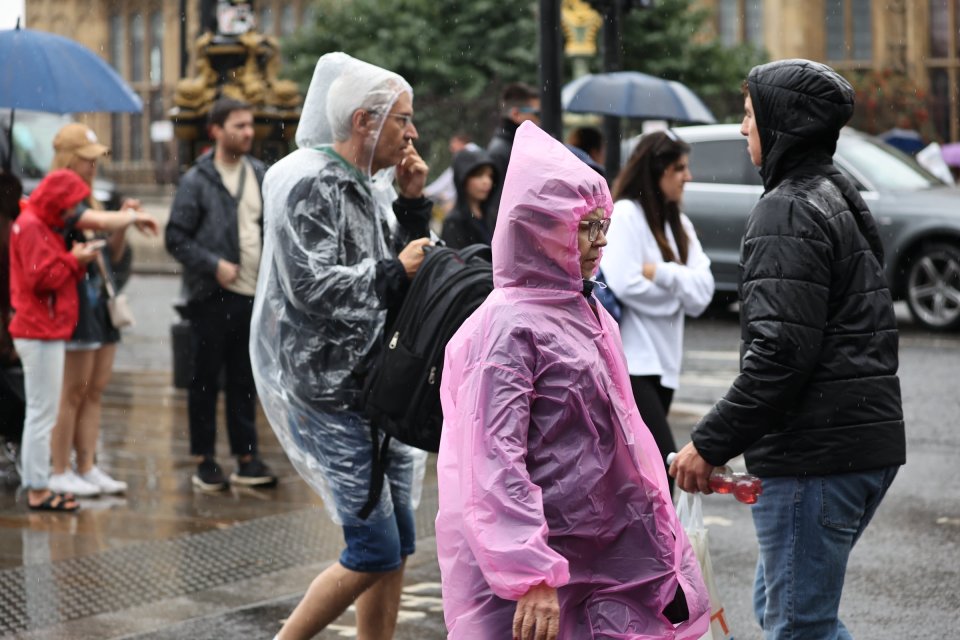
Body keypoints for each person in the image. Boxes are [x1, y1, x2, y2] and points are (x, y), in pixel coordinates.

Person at [435, 121, 710, 640]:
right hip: (549, 567)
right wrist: (531, 572)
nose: (601, 241)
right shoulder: (505, 329)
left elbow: (623, 434)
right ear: (544, 227)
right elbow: (492, 463)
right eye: (588, 226)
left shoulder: (585, 309)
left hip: (604, 553)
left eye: (603, 225)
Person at [670, 59, 906, 639]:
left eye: (750, 116)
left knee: (799, 626)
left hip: (817, 456)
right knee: (787, 613)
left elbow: (779, 355)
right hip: (857, 446)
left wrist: (709, 443)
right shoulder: (835, 192)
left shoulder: (789, 208)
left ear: (783, 124)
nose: (743, 129)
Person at [250, 52, 433, 640]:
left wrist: (410, 202)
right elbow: (310, 287)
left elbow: (405, 268)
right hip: (330, 392)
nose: (412, 133)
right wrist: (392, 272)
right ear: (363, 121)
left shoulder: (368, 185)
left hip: (379, 385)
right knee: (374, 546)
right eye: (402, 120)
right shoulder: (308, 181)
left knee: (399, 541)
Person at [166, 97, 276, 491]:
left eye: (250, 125)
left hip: (253, 296)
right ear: (216, 130)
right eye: (239, 126)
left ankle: (247, 457)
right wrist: (213, 264)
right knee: (205, 380)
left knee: (245, 380)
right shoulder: (198, 180)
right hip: (212, 296)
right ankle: (205, 459)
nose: (248, 132)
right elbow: (175, 237)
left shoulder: (261, 174)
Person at [46, 123, 160, 498]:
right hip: (75, 307)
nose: (94, 167)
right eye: (88, 159)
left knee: (93, 390)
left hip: (99, 307)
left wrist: (122, 223)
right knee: (72, 392)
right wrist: (127, 218)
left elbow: (111, 256)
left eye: (97, 160)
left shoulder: (91, 199)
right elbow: (87, 227)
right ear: (69, 160)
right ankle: (60, 468)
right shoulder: (61, 199)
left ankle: (87, 466)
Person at [602, 130, 715, 487]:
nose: (688, 176)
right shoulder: (625, 215)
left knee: (640, 476)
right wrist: (678, 291)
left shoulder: (678, 224)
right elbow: (625, 284)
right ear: (657, 170)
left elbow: (704, 293)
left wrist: (661, 273)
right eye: (679, 168)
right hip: (633, 364)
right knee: (661, 475)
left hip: (665, 366)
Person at [8, 169, 102, 511]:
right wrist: (72, 259)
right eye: (68, 205)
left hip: (42, 328)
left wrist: (71, 261)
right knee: (42, 412)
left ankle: (40, 483)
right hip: (39, 329)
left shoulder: (37, 223)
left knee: (41, 410)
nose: (70, 212)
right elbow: (40, 278)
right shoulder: (34, 225)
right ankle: (37, 488)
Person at [485, 81, 540, 227]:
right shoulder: (502, 151)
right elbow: (496, 207)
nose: (539, 120)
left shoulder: (513, 147)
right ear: (516, 114)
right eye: (536, 113)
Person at [439, 148, 497, 249]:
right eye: (479, 175)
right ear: (463, 178)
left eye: (490, 176)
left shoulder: (492, 216)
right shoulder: (454, 222)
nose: (487, 181)